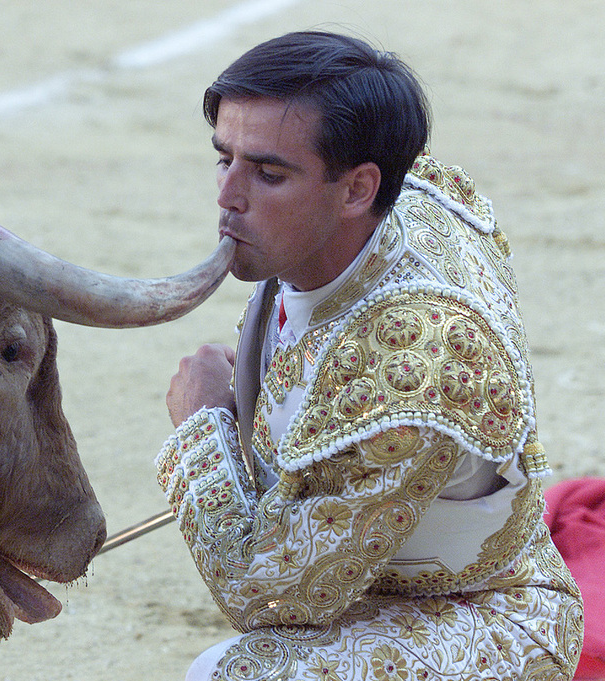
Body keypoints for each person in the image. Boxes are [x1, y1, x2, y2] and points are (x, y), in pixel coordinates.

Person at [156, 31, 584, 680]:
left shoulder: (411, 359)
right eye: (224, 159)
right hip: (381, 578)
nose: (227, 196)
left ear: (358, 189)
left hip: (487, 619)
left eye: (268, 173)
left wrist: (201, 430)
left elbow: (267, 592)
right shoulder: (394, 194)